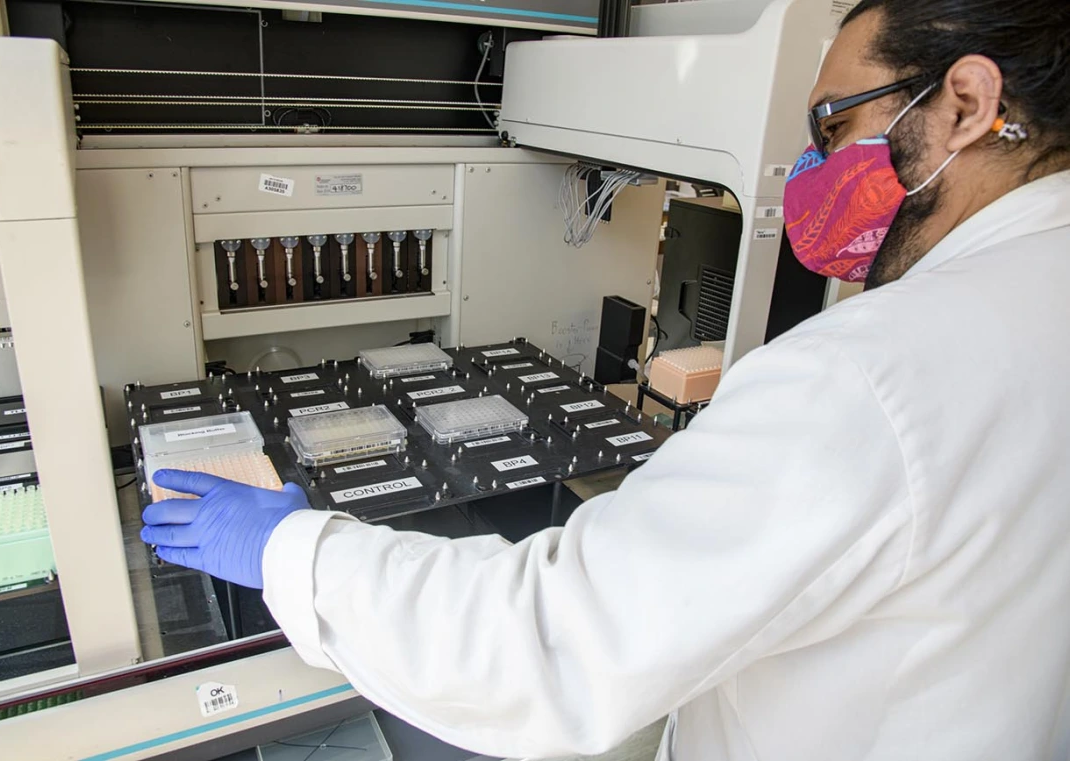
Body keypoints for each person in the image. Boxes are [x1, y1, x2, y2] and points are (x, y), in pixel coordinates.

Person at [142, 1, 1070, 758]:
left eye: (834, 124)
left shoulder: (871, 373)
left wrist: (289, 552)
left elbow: (552, 642)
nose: (817, 166)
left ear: (965, 101)